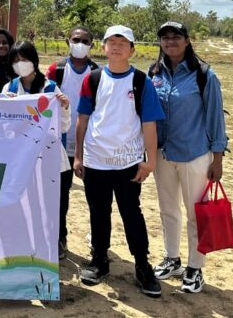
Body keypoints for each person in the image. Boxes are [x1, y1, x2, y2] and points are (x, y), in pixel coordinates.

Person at [73, 25, 165, 298]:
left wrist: (150, 161)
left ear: (132, 50)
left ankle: (142, 265)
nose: (116, 46)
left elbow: (149, 123)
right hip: (96, 161)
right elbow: (83, 119)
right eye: (111, 41)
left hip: (128, 163)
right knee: (98, 212)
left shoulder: (141, 81)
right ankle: (99, 260)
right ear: (103, 47)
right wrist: (78, 155)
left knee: (131, 213)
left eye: (122, 42)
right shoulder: (92, 79)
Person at [150, 21, 227, 294]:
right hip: (162, 154)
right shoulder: (154, 73)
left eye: (176, 36)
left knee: (196, 214)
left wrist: (217, 159)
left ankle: (195, 268)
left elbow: (215, 118)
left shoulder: (204, 75)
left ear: (187, 40)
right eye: (165, 37)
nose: (170, 41)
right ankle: (172, 258)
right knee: (168, 210)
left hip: (193, 155)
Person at [4, 41, 71, 259]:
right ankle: (29, 242)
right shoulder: (9, 89)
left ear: (34, 60)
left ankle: (58, 239)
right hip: (22, 157)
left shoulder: (51, 89)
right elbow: (5, 127)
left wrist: (64, 107)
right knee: (27, 201)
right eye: (16, 61)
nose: (20, 64)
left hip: (50, 156)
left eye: (24, 59)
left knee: (54, 201)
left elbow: (63, 126)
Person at [45, 25, 99, 258]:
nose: (80, 44)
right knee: (60, 195)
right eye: (76, 39)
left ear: (92, 45)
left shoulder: (97, 73)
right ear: (68, 41)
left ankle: (98, 241)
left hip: (90, 146)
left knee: (96, 197)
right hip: (60, 144)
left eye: (85, 41)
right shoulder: (56, 70)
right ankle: (60, 237)